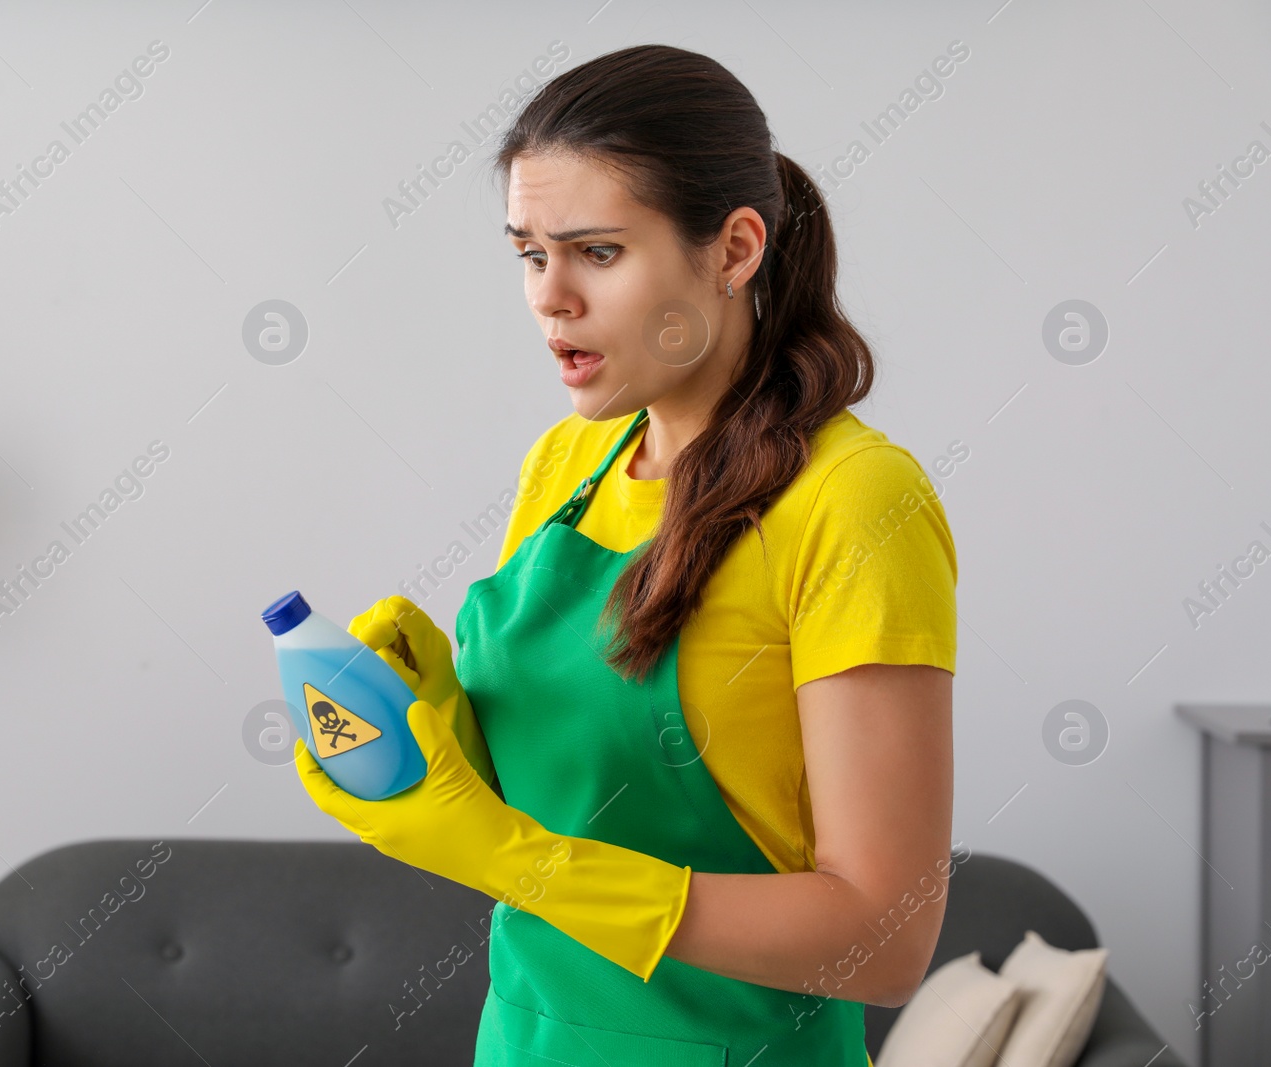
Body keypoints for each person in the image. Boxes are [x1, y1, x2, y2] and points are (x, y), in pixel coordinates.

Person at [295, 42, 957, 1066]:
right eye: (527, 252)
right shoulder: (570, 462)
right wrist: (441, 730)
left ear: (735, 249)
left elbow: (882, 938)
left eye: (596, 252)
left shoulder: (854, 499)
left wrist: (506, 855)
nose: (548, 297)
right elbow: (564, 804)